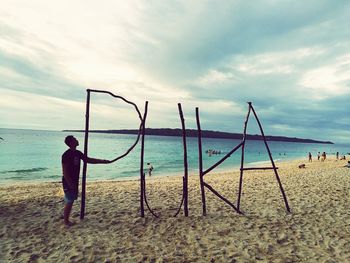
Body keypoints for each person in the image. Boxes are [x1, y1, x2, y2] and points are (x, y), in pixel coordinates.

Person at [62, 135, 110, 227]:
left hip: (74, 181)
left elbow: (88, 160)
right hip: (69, 181)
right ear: (71, 142)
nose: (77, 140)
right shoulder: (66, 155)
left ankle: (66, 218)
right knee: (70, 200)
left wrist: (103, 161)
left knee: (70, 199)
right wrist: (70, 183)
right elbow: (65, 171)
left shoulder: (78, 153)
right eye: (75, 139)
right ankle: (66, 221)